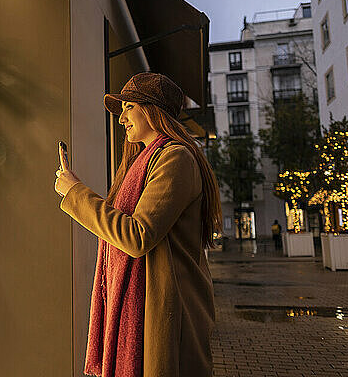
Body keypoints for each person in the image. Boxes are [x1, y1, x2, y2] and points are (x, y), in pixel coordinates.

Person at [54, 72, 222, 377]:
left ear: (152, 109)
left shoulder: (176, 158)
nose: (122, 119)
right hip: (151, 312)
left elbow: (136, 236)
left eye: (129, 107)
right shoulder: (144, 162)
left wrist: (75, 193)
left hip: (167, 317)